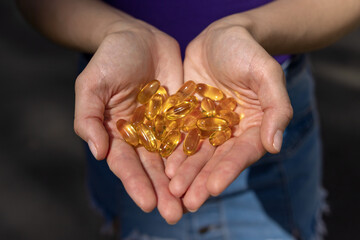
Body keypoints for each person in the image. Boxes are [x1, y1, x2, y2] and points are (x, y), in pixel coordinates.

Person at [16, 0, 360, 239]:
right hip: (118, 107)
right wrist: (114, 31)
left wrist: (250, 29)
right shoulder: (135, 121)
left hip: (256, 104)